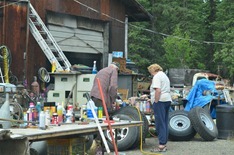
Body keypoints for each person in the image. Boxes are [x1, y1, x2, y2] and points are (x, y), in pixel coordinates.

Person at [148, 64, 172, 152]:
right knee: (165, 122)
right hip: (167, 99)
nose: (151, 74)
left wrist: (156, 101)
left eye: (150, 72)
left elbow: (158, 90)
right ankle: (164, 143)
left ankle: (161, 145)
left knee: (159, 123)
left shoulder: (157, 76)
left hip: (160, 100)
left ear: (153, 70)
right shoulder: (164, 76)